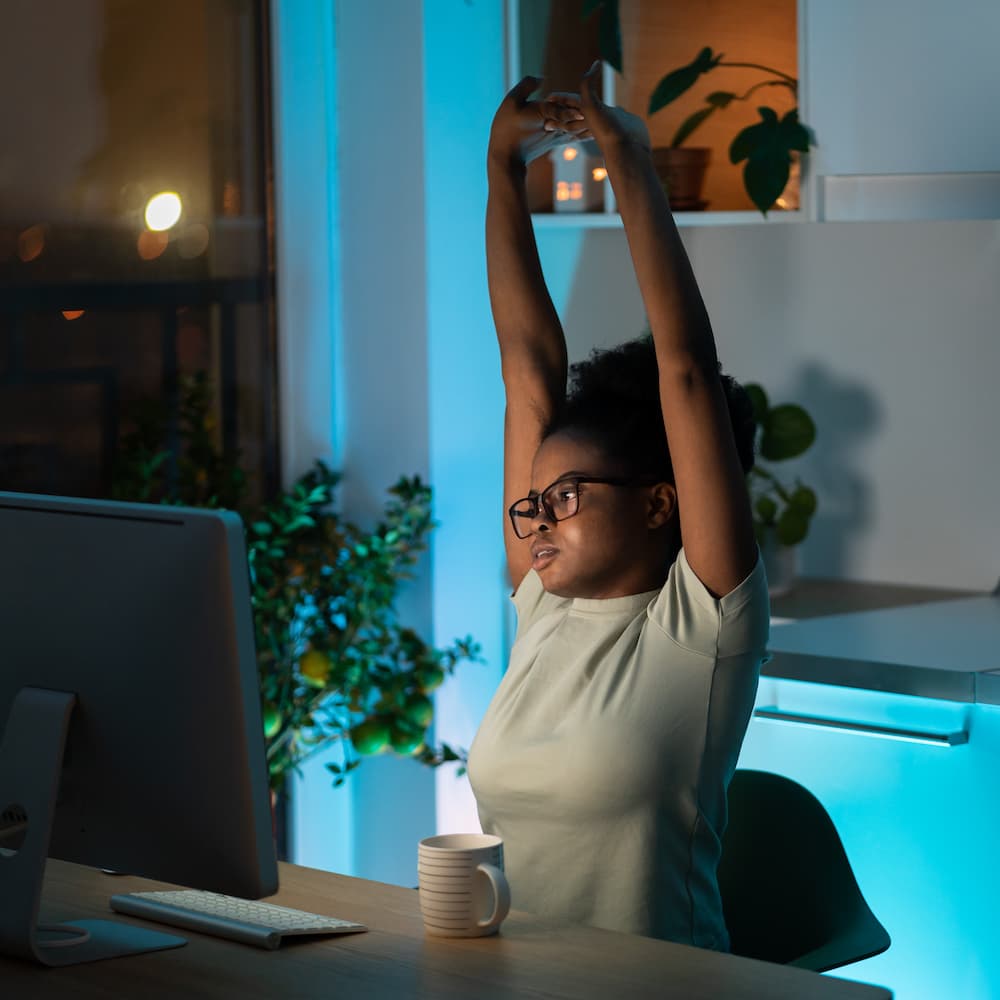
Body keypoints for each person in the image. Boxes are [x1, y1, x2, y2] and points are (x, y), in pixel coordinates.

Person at [465, 62, 771, 951]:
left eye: (565, 497)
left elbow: (684, 367)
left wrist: (627, 161)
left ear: (658, 505)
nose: (538, 519)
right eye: (535, 501)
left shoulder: (703, 624)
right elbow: (527, 370)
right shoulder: (542, 603)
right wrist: (500, 174)